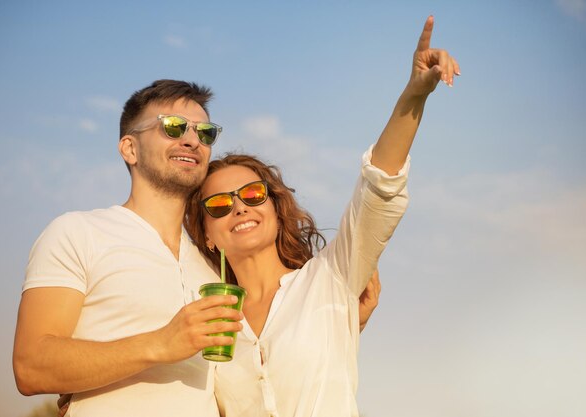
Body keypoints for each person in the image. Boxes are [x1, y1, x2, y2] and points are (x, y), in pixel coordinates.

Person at [13, 80, 382, 416]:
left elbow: (253, 377)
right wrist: (160, 344)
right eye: (173, 127)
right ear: (130, 148)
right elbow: (31, 367)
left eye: (204, 133)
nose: (192, 140)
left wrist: (339, 322)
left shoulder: (216, 275)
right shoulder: (78, 232)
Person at [183, 15, 459, 417]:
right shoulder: (208, 323)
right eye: (220, 204)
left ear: (276, 208)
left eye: (253, 194)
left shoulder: (330, 280)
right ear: (207, 234)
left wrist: (414, 95)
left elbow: (378, 189)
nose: (239, 207)